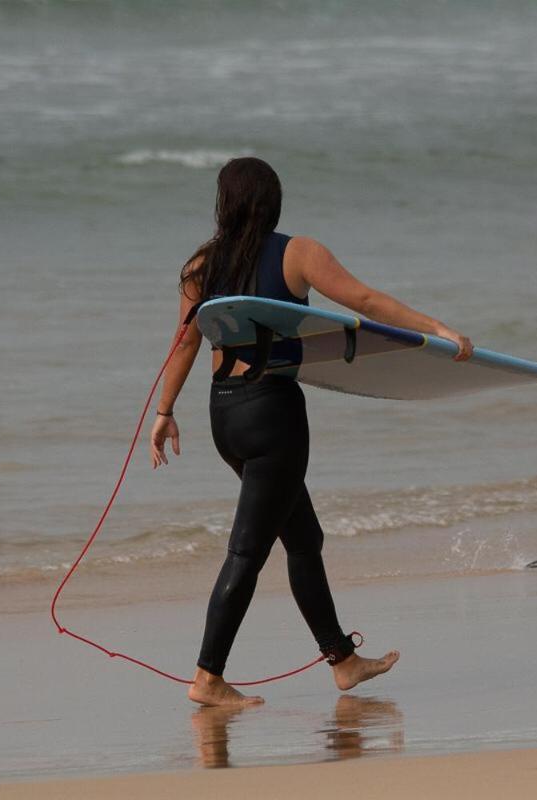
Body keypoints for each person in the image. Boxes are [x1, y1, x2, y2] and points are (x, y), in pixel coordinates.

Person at [149, 157, 473, 706]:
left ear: (223, 203)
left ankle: (343, 661)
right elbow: (364, 303)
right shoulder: (298, 253)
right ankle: (207, 677)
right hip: (273, 413)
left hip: (223, 414)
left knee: (302, 539)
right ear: (272, 201)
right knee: (247, 551)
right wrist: (435, 328)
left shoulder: (200, 265)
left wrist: (164, 412)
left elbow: (186, 343)